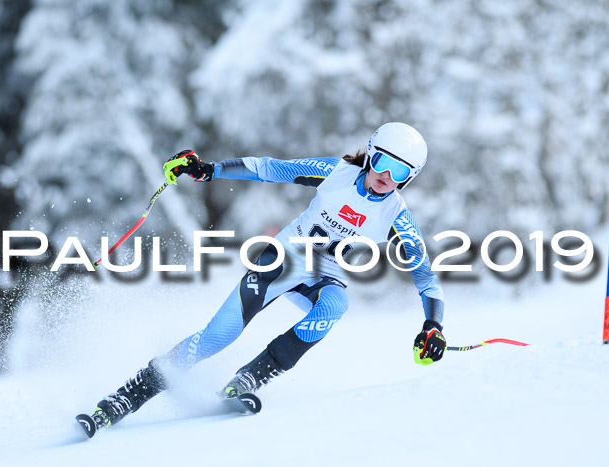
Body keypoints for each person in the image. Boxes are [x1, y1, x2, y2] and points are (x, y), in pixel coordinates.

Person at [80, 122, 446, 431]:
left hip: (324, 273)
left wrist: (434, 325)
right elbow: (271, 168)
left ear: (409, 179)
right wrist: (210, 169)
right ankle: (125, 396)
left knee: (336, 304)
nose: (385, 176)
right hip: (284, 259)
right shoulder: (336, 173)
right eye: (382, 162)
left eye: (399, 172)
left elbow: (426, 276)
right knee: (215, 338)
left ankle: (250, 377)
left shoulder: (397, 217)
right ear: (369, 154)